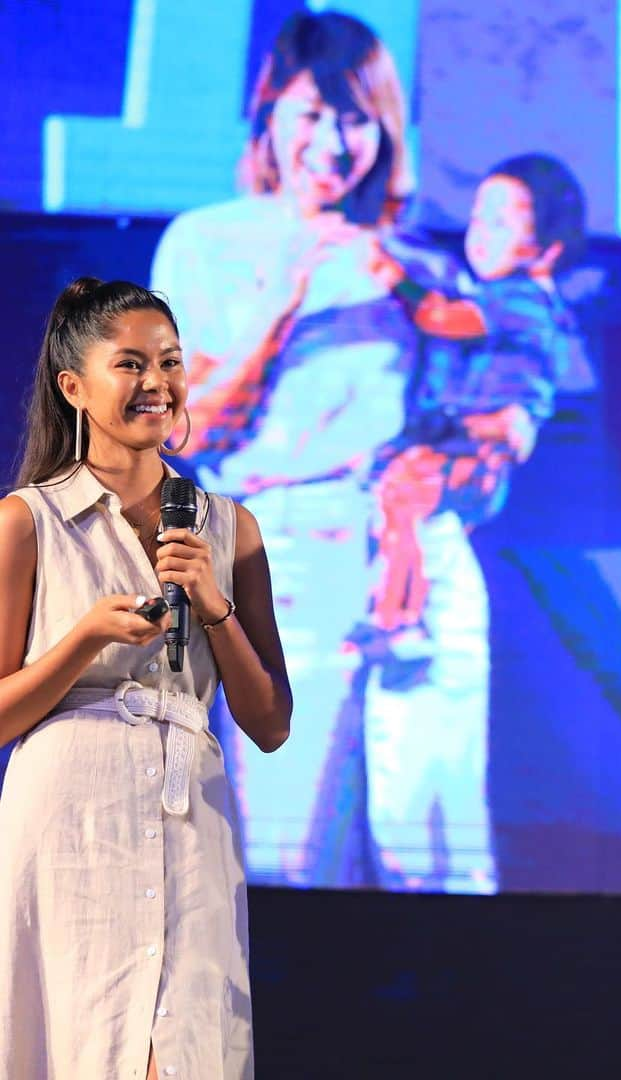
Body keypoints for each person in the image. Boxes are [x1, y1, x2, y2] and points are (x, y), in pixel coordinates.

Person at [150, 10, 498, 892]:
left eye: (356, 118)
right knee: (286, 850)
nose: (334, 142)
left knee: (442, 849)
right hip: (287, 549)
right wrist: (285, 296)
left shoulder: (417, 259)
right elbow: (185, 432)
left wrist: (432, 487)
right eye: (311, 114)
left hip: (418, 551)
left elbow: (480, 433)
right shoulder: (207, 240)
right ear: (270, 114)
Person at [0, 278, 291, 1079]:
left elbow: (270, 723)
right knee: (79, 1035)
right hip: (69, 817)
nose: (156, 383)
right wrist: (83, 638)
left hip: (188, 808)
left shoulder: (229, 525)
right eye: (130, 364)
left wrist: (216, 606)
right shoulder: (28, 521)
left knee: (186, 1046)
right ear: (74, 388)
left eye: (168, 362)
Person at [362, 152, 586, 646]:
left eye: (501, 223)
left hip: (477, 447)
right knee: (402, 507)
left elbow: (441, 319)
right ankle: (400, 611)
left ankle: (399, 617)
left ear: (547, 251)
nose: (479, 233)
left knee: (401, 498)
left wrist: (388, 273)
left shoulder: (521, 301)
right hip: (466, 448)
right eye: (477, 217)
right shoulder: (509, 298)